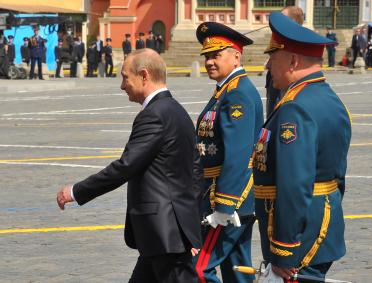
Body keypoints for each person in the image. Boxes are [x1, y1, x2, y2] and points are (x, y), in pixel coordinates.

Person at [56, 48, 203, 283]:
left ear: (144, 75)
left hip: (164, 234)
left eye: (125, 77)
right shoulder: (177, 111)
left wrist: (76, 191)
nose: (122, 86)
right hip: (165, 235)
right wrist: (189, 225)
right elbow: (195, 172)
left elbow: (125, 166)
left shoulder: (154, 115)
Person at [253, 12, 351, 281]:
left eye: (273, 58)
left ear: (293, 61)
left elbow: (294, 183)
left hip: (301, 235)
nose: (267, 66)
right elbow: (338, 173)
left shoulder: (295, 108)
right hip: (321, 223)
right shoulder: (328, 98)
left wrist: (284, 249)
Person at [194, 22, 263, 283]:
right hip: (223, 195)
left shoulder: (237, 95)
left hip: (228, 200)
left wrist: (224, 205)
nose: (210, 61)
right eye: (207, 56)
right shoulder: (225, 91)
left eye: (216, 55)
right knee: (238, 271)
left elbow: (239, 154)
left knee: (198, 268)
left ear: (236, 56)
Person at [265, 6, 304, 119]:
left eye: (282, 18)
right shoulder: (278, 38)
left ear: (292, 22)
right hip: (274, 81)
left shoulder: (299, 41)